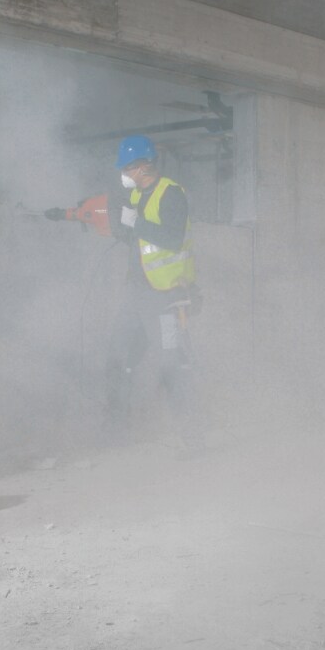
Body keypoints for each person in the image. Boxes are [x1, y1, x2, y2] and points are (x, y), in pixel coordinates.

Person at [104, 134, 200, 439]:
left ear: (143, 166)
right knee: (119, 358)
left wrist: (137, 224)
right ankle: (116, 430)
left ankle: (189, 434)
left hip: (166, 297)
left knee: (173, 363)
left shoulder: (171, 193)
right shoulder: (137, 196)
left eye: (127, 169)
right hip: (136, 295)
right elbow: (125, 221)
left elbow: (171, 239)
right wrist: (117, 218)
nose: (125, 175)